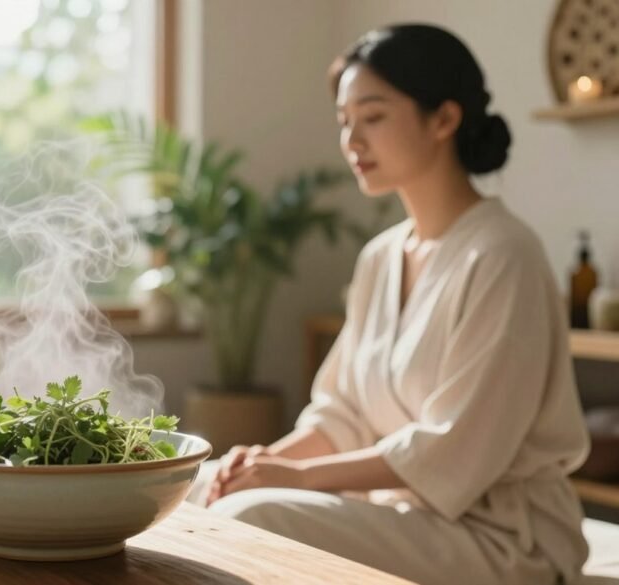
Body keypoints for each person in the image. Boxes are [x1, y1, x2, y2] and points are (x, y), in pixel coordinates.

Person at [189, 24, 590, 585]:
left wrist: (295, 480)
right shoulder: (381, 256)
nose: (352, 140)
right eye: (344, 121)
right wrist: (256, 466)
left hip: (503, 540)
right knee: (197, 487)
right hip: (402, 516)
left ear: (444, 119)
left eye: (372, 117)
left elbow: (453, 448)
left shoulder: (503, 255)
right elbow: (344, 415)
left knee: (255, 515)